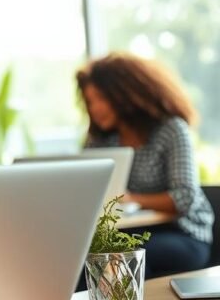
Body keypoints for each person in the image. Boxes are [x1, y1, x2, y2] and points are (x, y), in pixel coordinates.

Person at [77, 53, 214, 278]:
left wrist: (130, 199)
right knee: (84, 258)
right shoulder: (100, 140)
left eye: (101, 98)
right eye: (90, 102)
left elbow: (185, 197)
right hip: (126, 232)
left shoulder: (171, 130)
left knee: (129, 257)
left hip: (183, 233)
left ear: (125, 94)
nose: (95, 109)